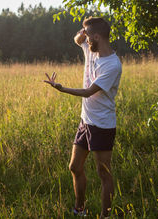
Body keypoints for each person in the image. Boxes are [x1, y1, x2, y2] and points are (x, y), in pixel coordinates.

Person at [44, 17, 122, 218]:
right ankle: (80, 210)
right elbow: (77, 39)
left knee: (103, 173)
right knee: (74, 166)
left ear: (97, 37)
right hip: (85, 121)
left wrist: (61, 89)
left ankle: (106, 215)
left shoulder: (112, 65)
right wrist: (83, 30)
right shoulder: (90, 48)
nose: (86, 41)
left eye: (89, 37)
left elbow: (89, 92)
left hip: (103, 125)